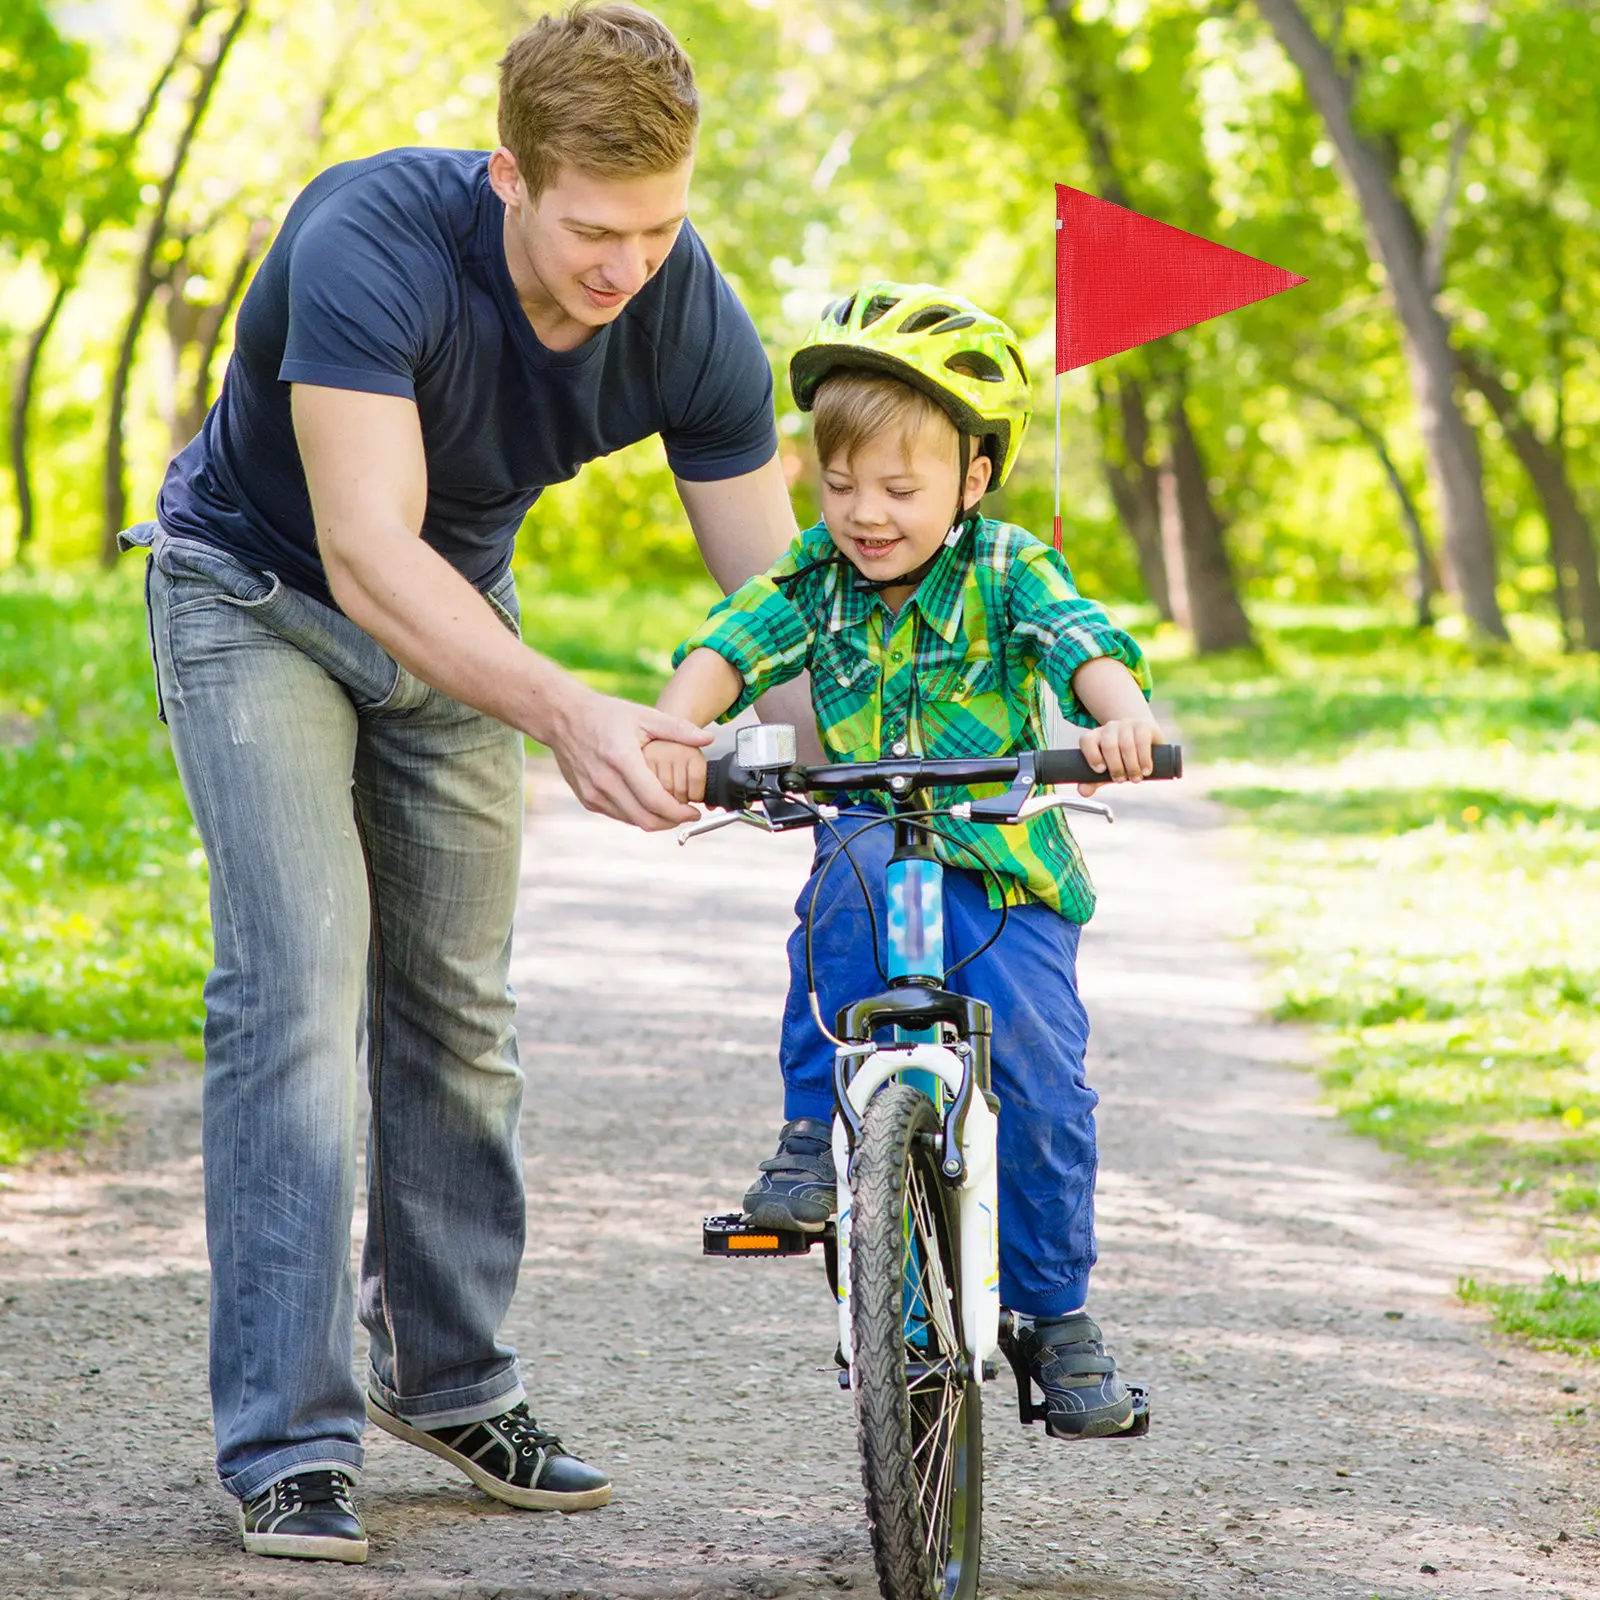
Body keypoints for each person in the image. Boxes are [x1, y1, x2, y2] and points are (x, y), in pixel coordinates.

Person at [121, 1, 810, 1564]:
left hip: (453, 629)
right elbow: (366, 550)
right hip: (257, 598)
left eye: (657, 224)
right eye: (592, 227)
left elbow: (783, 607)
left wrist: (855, 755)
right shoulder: (371, 235)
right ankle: (290, 1446)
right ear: (510, 176)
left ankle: (450, 1383)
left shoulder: (689, 313)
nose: (625, 263)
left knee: (458, 1013)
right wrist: (573, 715)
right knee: (297, 994)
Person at [643, 282, 1161, 1437]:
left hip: (1001, 868)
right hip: (873, 835)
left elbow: (1081, 641)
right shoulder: (815, 579)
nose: (864, 513)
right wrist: (680, 730)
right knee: (840, 881)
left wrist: (1116, 716)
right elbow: (728, 642)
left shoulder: (1007, 566)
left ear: (973, 479)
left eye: (898, 487)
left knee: (1039, 1077)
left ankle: (1054, 1314)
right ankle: (806, 1145)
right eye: (837, 486)